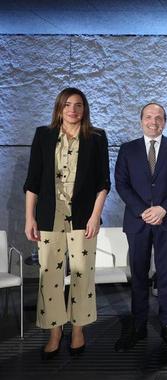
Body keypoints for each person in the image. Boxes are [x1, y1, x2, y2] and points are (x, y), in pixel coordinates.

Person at [24, 87, 110, 359]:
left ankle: (78, 330)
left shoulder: (96, 138)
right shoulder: (44, 135)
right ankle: (54, 332)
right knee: (49, 276)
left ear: (85, 109)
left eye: (78, 105)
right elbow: (32, 181)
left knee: (83, 274)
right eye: (67, 105)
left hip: (84, 219)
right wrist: (30, 217)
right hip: (50, 216)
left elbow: (103, 183)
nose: (73, 110)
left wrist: (96, 216)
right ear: (59, 108)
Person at [114, 102, 167, 350]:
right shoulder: (128, 149)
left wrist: (162, 208)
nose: (153, 121)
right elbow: (122, 184)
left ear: (165, 122)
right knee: (138, 274)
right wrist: (143, 211)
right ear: (141, 120)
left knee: (166, 274)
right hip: (137, 221)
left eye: (158, 117)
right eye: (148, 117)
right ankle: (139, 326)